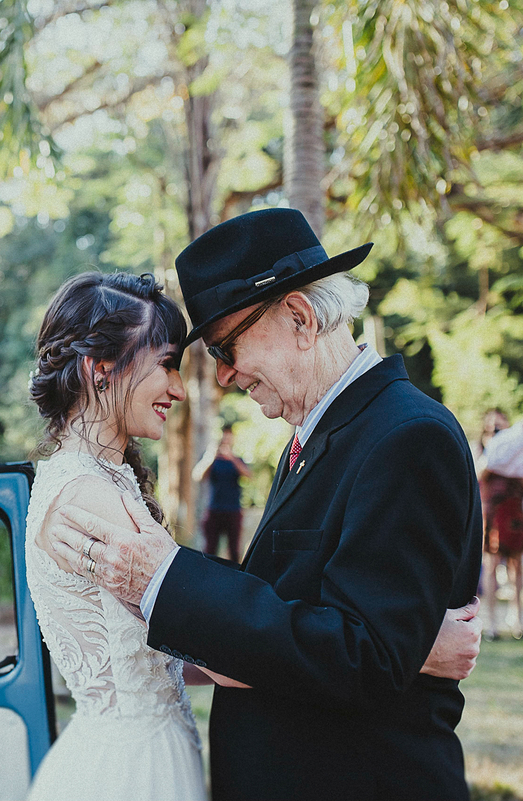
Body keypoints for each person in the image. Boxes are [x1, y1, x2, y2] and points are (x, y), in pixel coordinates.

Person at [47, 209, 483, 801]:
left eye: (227, 347)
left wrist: (163, 579)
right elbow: (297, 601)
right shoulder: (316, 436)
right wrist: (416, 649)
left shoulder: (406, 437)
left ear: (300, 317)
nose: (224, 376)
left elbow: (367, 658)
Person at [479, 410, 523, 639]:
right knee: (491, 565)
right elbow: (478, 475)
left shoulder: (514, 445)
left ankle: (517, 620)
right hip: (494, 511)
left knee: (517, 565)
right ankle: (492, 623)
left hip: (513, 510)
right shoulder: (485, 448)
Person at [192, 424, 250, 562]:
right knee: (210, 550)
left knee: (234, 551)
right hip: (214, 509)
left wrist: (232, 458)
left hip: (233, 509)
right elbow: (198, 476)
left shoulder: (237, 459)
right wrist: (211, 458)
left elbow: (248, 475)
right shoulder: (212, 459)